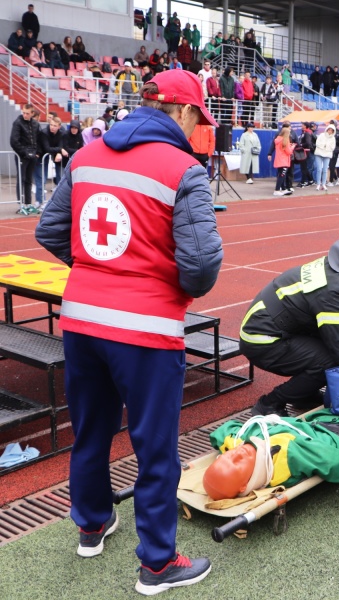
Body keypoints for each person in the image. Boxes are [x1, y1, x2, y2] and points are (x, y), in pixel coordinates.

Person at [34, 69, 222, 594]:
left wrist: (96, 270)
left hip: (82, 321)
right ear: (182, 112)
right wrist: (156, 280)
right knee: (155, 447)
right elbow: (202, 266)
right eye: (197, 118)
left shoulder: (85, 154)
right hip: (145, 328)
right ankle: (158, 565)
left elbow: (49, 230)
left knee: (90, 430)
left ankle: (91, 527)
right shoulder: (185, 170)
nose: (197, 128)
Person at [239, 239, 339, 415]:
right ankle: (269, 404)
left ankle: (302, 395)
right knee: (329, 362)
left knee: (329, 351)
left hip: (276, 326)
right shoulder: (333, 294)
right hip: (262, 339)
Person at [203, 406, 339, 500]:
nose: (235, 455)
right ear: (245, 486)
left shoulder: (236, 441)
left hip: (318, 420)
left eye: (226, 457)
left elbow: (221, 432)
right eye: (235, 464)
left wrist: (224, 444)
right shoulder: (289, 455)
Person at [9, 103, 40, 215]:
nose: (25, 115)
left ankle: (27, 203)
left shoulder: (35, 124)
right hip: (22, 155)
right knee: (21, 179)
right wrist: (24, 152)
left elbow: (38, 139)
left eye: (27, 113)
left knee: (28, 180)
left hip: (32, 155)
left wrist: (37, 153)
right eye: (24, 113)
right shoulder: (17, 123)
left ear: (32, 113)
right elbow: (14, 141)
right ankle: (21, 203)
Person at [269, 125, 295, 196]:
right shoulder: (285, 141)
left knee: (281, 174)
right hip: (283, 160)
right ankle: (277, 190)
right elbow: (289, 152)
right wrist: (292, 147)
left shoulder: (278, 139)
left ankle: (283, 189)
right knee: (282, 175)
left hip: (279, 160)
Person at [314, 123, 336, 191]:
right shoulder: (321, 135)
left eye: (331, 130)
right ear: (326, 129)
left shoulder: (333, 138)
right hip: (319, 154)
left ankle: (323, 184)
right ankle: (318, 184)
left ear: (333, 131)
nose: (330, 131)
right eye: (329, 130)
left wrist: (326, 147)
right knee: (319, 169)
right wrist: (324, 146)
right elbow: (317, 143)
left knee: (325, 169)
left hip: (327, 155)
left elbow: (332, 147)